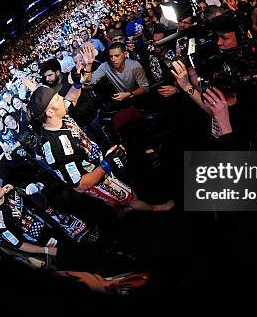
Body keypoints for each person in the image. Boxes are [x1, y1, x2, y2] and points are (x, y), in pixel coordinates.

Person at [27, 86, 174, 212]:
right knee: (130, 197)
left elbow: (71, 99)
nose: (61, 97)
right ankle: (155, 208)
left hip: (99, 163)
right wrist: (106, 165)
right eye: (56, 98)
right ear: (50, 113)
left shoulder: (59, 117)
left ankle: (120, 208)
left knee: (122, 189)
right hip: (97, 180)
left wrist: (77, 82)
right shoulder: (57, 147)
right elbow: (80, 185)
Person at [82, 42, 149, 103]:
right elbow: (89, 81)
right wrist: (89, 65)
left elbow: (145, 87)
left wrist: (129, 94)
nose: (113, 59)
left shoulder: (134, 65)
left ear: (125, 54)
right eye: (111, 56)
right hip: (122, 103)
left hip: (139, 100)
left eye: (117, 56)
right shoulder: (105, 66)